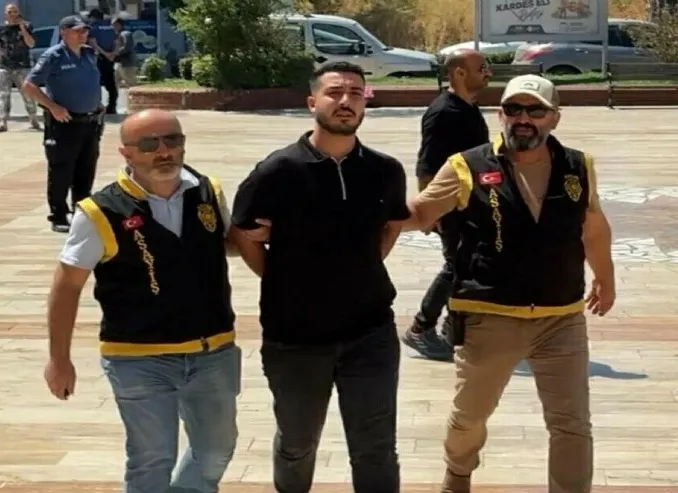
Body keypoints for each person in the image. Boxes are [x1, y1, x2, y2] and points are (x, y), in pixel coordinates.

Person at [404, 75, 615, 493]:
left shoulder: (578, 166)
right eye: (514, 109)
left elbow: (592, 225)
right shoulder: (467, 166)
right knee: (469, 417)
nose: (524, 118)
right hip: (489, 317)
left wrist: (605, 278)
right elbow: (420, 213)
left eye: (535, 110)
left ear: (554, 117)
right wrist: (364, 218)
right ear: (500, 115)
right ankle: (458, 472)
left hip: (561, 318)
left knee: (572, 424)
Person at [231, 61, 410, 493]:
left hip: (370, 333)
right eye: (335, 92)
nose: (345, 101)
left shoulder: (385, 170)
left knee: (376, 448)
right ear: (312, 102)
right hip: (294, 337)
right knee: (297, 442)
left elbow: (391, 226)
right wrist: (282, 278)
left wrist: (363, 267)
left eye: (355, 93)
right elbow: (243, 234)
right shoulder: (277, 171)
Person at [44, 109, 242, 493]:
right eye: (149, 144)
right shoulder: (99, 211)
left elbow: (228, 243)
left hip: (212, 351)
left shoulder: (207, 191)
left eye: (173, 140)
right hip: (138, 358)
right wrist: (59, 359)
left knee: (215, 450)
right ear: (126, 153)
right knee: (152, 459)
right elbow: (67, 287)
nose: (164, 151)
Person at [401, 49, 491, 362]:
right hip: (451, 205)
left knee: (467, 265)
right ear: (460, 73)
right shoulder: (443, 112)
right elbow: (426, 165)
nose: (488, 73)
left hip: (471, 203)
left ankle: (454, 328)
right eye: (481, 68)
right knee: (456, 266)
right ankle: (420, 328)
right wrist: (427, 213)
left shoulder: (467, 107)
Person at [23, 15, 104, 233]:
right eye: (78, 31)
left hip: (90, 122)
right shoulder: (54, 56)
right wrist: (52, 107)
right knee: (62, 170)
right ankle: (58, 215)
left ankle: (82, 212)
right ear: (64, 32)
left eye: (85, 30)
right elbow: (29, 85)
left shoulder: (89, 54)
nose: (83, 34)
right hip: (65, 123)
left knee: (86, 169)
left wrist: (97, 104)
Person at [0, 3, 40, 131]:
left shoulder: (27, 26)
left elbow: (31, 44)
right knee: (4, 95)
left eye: (15, 11)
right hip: (5, 66)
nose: (12, 14)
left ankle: (33, 118)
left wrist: (22, 28)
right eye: (10, 12)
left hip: (22, 65)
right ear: (5, 14)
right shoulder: (1, 28)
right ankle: (3, 121)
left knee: (27, 93)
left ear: (18, 13)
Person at [87, 8, 118, 114]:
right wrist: (112, 54)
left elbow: (93, 43)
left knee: (95, 83)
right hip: (110, 59)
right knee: (111, 84)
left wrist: (105, 53)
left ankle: (97, 107)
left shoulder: (92, 28)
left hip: (97, 59)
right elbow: (117, 42)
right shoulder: (111, 28)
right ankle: (112, 106)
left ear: (93, 17)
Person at [111, 16, 137, 88]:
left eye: (113, 25)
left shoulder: (125, 34)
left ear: (119, 25)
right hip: (117, 63)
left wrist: (114, 53)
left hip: (127, 64)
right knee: (114, 85)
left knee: (131, 86)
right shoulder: (116, 35)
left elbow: (126, 48)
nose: (112, 27)